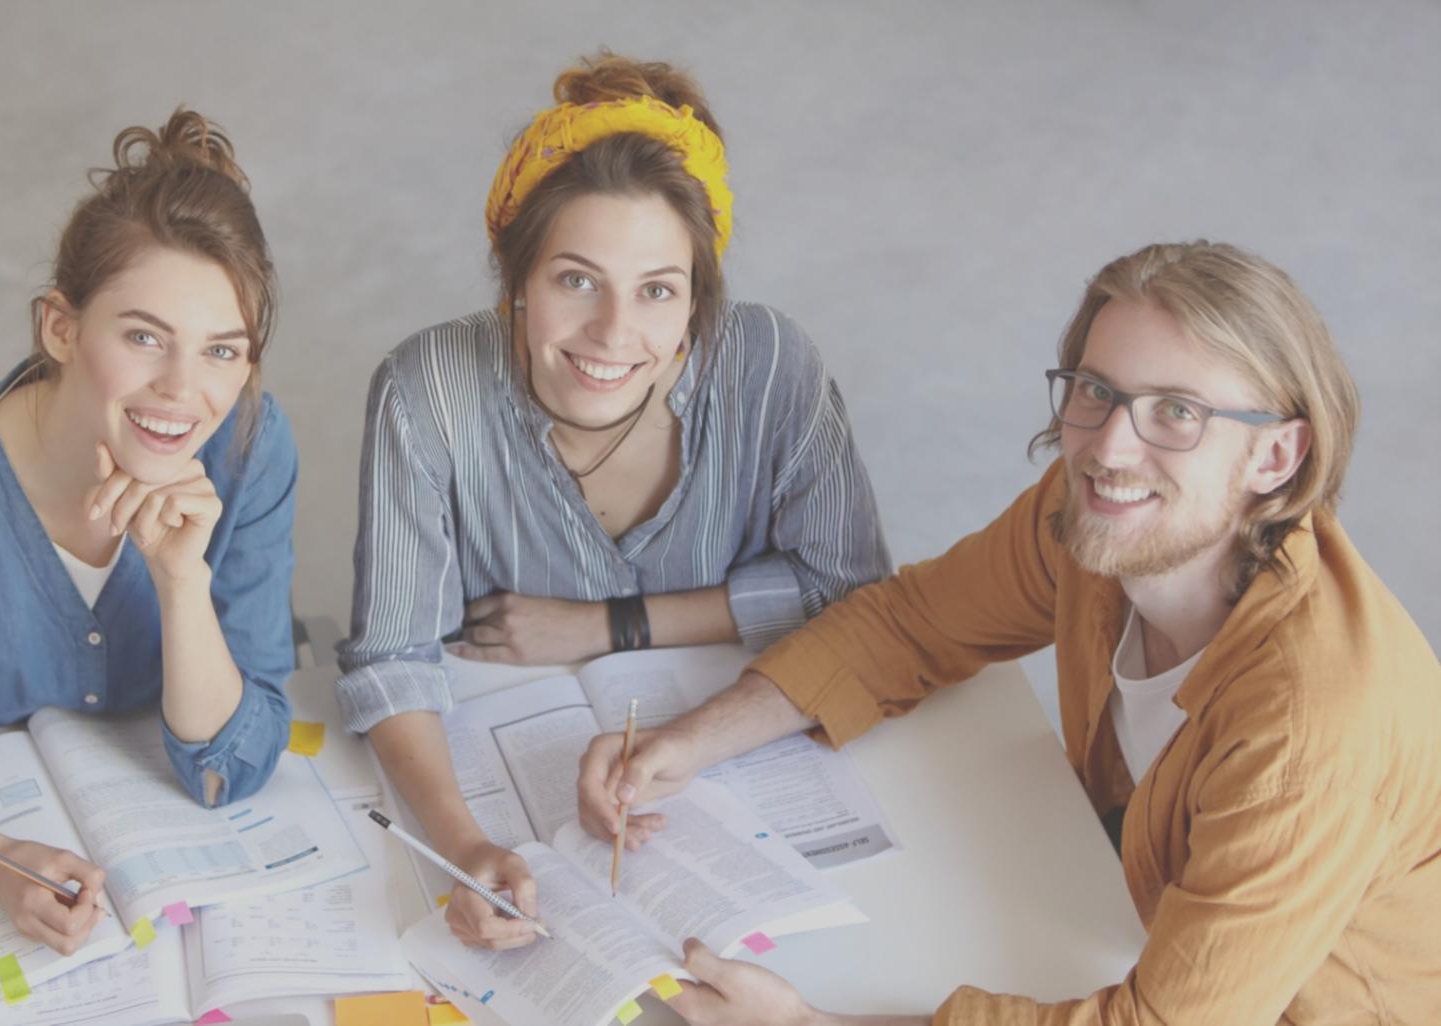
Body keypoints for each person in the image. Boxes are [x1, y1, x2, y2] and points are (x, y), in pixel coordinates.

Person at [579, 241, 1441, 1024]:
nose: (1109, 449)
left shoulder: (1309, 737)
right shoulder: (1094, 523)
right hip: (1137, 915)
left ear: (1274, 458)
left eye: (1176, 413)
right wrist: (686, 744)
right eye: (1097, 391)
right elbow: (910, 626)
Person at [335, 52, 891, 952]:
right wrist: (465, 846)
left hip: (730, 765)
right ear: (515, 280)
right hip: (510, 757)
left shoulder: (769, 365)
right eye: (575, 280)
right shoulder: (426, 387)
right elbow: (392, 659)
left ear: (696, 303)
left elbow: (852, 593)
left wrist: (608, 625)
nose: (612, 333)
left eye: (657, 292)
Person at [0, 109, 297, 956]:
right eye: (144, 337)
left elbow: (235, 767)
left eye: (222, 352)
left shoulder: (253, 447)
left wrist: (182, 584)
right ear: (61, 327)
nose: (181, 391)